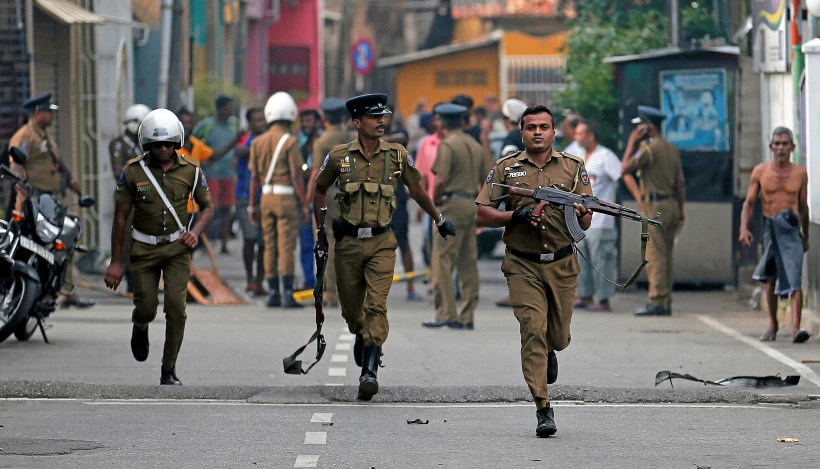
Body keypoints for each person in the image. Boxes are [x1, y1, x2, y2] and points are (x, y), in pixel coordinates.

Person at [313, 93, 455, 401]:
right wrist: (320, 231)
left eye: (383, 117)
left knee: (376, 305)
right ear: (356, 122)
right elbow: (320, 188)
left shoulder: (398, 156)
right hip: (348, 244)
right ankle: (361, 335)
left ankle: (370, 369)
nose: (381, 122)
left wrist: (439, 219)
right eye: (374, 117)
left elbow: (417, 189)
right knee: (352, 312)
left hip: (382, 243)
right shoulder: (340, 156)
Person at [475, 104, 592, 437]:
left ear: (554, 132)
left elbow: (587, 219)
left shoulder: (573, 167)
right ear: (521, 132)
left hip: (562, 263)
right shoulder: (506, 168)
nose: (537, 132)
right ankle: (543, 407)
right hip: (522, 263)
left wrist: (581, 210)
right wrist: (518, 217)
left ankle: (552, 349)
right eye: (531, 127)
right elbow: (482, 215)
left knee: (558, 336)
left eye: (544, 127)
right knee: (532, 329)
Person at [104, 108, 214, 385]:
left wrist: (195, 232)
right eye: (156, 144)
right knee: (147, 307)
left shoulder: (191, 170)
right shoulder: (132, 172)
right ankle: (140, 325)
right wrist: (116, 262)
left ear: (176, 142)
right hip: (143, 250)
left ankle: (169, 369)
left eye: (167, 144)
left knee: (176, 309)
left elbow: (208, 207)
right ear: (147, 144)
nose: (163, 149)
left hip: (177, 249)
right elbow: (120, 218)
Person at [9, 92, 95, 309]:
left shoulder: (44, 136)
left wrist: (68, 180)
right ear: (38, 112)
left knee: (62, 243)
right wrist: (23, 192)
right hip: (33, 201)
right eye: (49, 111)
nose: (52, 115)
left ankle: (66, 292)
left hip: (49, 202)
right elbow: (16, 166)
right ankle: (21, 291)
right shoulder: (25, 136)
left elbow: (52, 162)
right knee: (28, 246)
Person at [739, 127, 810, 343]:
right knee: (770, 280)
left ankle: (796, 329)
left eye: (785, 144)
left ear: (792, 147)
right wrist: (744, 228)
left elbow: (803, 207)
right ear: (771, 147)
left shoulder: (800, 174)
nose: (781, 148)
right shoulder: (760, 172)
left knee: (795, 279)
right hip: (770, 228)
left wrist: (805, 235)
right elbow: (749, 203)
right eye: (777, 144)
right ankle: (773, 325)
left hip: (791, 229)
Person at [421, 103, 486, 329]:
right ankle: (467, 315)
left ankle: (447, 312)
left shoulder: (447, 145)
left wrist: (435, 202)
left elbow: (439, 179)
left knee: (443, 260)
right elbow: (484, 181)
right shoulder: (475, 145)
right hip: (471, 203)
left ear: (441, 122)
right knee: (468, 261)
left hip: (450, 204)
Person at [621, 105, 685, 317]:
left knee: (654, 255)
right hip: (671, 205)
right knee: (666, 255)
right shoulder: (671, 148)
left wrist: (631, 143)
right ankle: (665, 300)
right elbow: (680, 182)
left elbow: (625, 168)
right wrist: (682, 209)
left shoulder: (648, 148)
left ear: (648, 127)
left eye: (640, 126)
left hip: (654, 205)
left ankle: (656, 300)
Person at [247, 92, 307, 309]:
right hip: (286, 198)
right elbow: (296, 174)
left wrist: (251, 205)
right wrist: (304, 203)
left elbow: (253, 177)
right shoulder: (290, 142)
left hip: (266, 197)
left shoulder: (257, 142)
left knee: (269, 245)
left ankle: (272, 292)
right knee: (286, 246)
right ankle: (287, 293)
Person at [305, 97, 358, 307]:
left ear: (324, 118)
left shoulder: (322, 142)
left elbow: (316, 175)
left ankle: (329, 293)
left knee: (326, 243)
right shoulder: (354, 138)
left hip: (328, 194)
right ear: (343, 117)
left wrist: (307, 201)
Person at [571, 119, 622, 312]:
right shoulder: (578, 156)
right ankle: (584, 295)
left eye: (579, 134)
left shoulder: (605, 155)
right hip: (581, 219)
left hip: (601, 221)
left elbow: (621, 176)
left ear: (590, 136)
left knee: (602, 261)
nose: (576, 138)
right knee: (581, 259)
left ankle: (603, 299)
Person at [192, 95, 245, 254]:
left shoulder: (234, 125)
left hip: (229, 174)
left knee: (227, 209)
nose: (230, 110)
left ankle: (224, 244)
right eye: (228, 107)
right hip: (212, 173)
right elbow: (193, 140)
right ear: (220, 108)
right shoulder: (207, 126)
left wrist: (236, 158)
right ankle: (205, 243)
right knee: (210, 208)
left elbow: (241, 144)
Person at [381, 104, 422, 301]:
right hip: (376, 200)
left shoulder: (398, 134)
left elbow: (402, 138)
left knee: (404, 244)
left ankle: (411, 287)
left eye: (386, 116)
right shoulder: (367, 135)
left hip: (397, 199)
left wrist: (384, 140)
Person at [109, 104, 152, 293]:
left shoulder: (145, 145)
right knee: (127, 241)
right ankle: (131, 283)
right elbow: (118, 171)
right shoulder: (119, 143)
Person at [235, 107, 268, 296]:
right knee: (249, 239)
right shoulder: (245, 139)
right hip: (244, 196)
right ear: (249, 123)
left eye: (262, 119)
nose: (260, 123)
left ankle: (260, 281)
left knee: (263, 242)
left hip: (264, 197)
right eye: (256, 120)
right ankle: (249, 280)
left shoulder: (267, 140)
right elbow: (239, 151)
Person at [298, 109, 322, 289]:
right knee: (306, 242)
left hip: (322, 198)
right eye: (303, 121)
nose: (306, 124)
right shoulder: (300, 146)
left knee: (324, 242)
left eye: (309, 121)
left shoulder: (323, 143)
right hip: (305, 200)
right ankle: (308, 280)